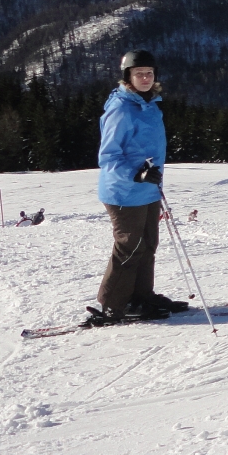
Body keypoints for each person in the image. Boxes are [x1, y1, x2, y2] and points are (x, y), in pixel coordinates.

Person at [85, 50, 188, 325]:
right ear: (128, 76)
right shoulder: (121, 108)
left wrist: (148, 177)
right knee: (129, 246)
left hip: (148, 188)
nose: (145, 78)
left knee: (148, 244)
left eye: (149, 73)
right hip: (124, 191)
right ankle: (113, 304)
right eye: (139, 73)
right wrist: (137, 174)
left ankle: (141, 296)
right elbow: (108, 156)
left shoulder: (150, 104)